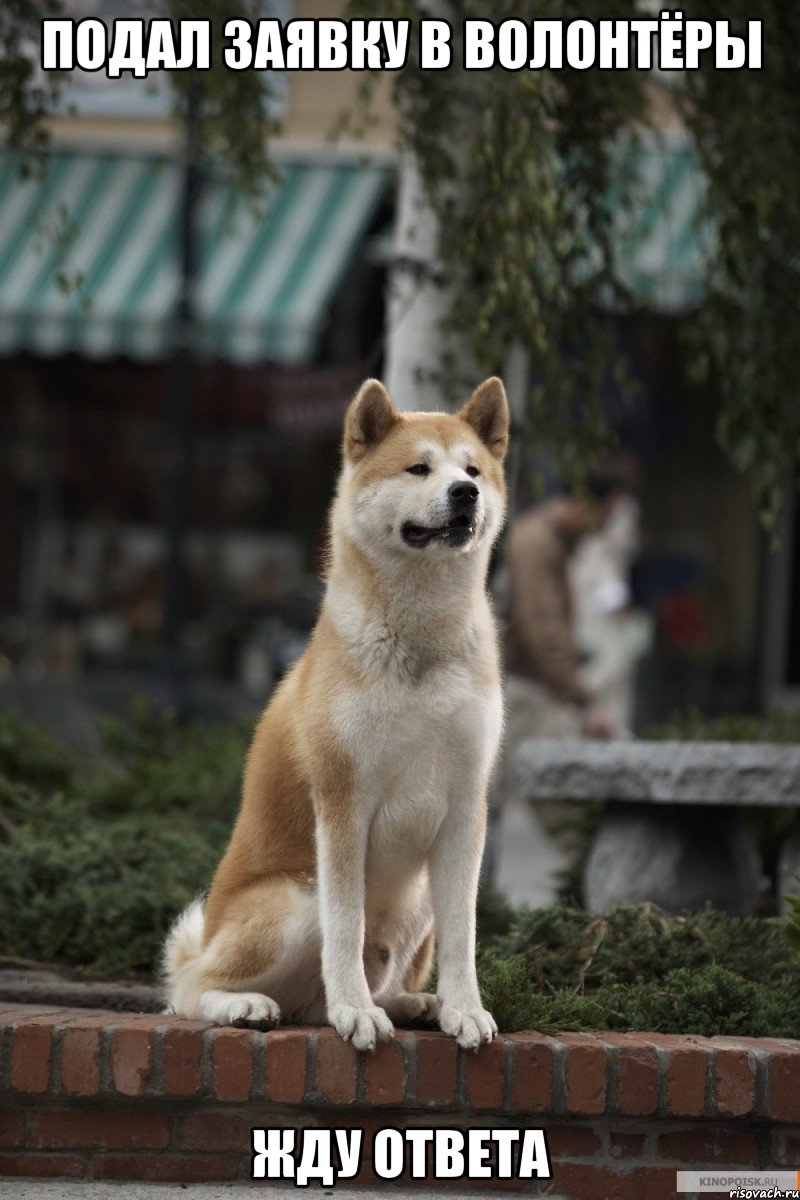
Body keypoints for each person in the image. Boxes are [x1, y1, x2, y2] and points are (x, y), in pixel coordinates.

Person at [504, 470, 627, 743]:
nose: (605, 527)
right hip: (527, 691)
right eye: (606, 515)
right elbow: (542, 630)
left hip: (537, 687)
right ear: (586, 502)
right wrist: (583, 701)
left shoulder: (551, 541)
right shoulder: (538, 544)